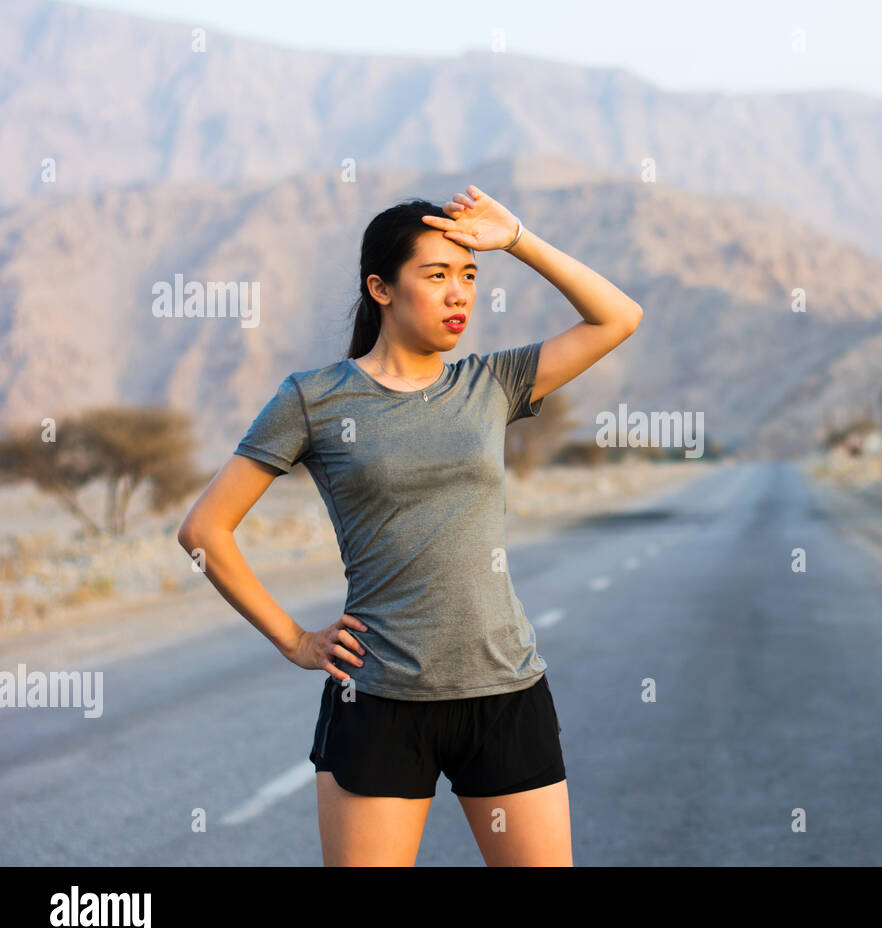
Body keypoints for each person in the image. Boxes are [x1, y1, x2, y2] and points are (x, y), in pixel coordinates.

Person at [177, 186, 642, 865]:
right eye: (436, 275)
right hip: (379, 697)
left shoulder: (491, 384)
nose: (460, 295)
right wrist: (296, 641)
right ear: (381, 288)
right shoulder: (312, 399)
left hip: (504, 691)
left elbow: (617, 317)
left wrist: (517, 239)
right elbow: (205, 529)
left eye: (470, 276)